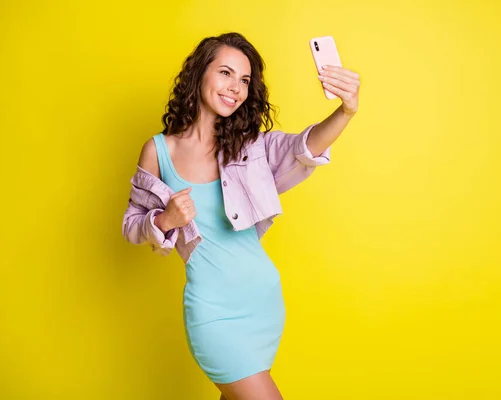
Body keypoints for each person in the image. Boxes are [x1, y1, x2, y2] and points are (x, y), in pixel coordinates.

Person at [122, 32, 360, 400]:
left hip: (261, 306)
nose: (236, 87)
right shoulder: (158, 151)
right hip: (214, 314)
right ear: (200, 74)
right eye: (226, 73)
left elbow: (304, 146)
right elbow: (131, 225)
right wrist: (164, 220)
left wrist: (346, 111)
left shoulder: (251, 147)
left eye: (245, 80)